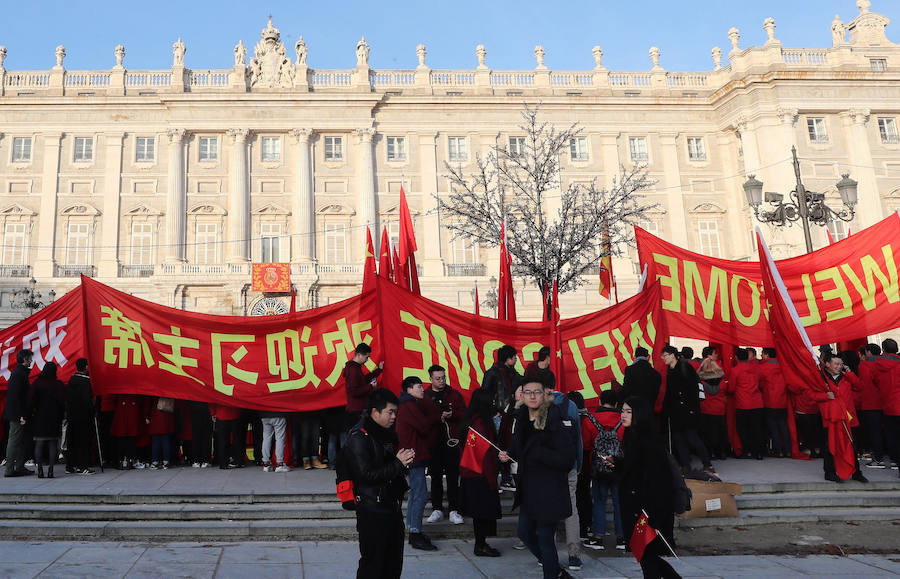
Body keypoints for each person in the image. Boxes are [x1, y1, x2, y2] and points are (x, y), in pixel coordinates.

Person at [500, 379, 577, 579]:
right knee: (524, 533)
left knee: (545, 537)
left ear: (545, 394)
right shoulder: (522, 419)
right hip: (528, 489)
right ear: (522, 395)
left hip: (549, 490)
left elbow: (567, 459)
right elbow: (520, 449)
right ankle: (557, 570)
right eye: (528, 392)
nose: (532, 396)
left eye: (537, 392)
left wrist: (540, 453)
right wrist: (508, 453)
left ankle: (552, 573)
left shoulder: (555, 420)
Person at [347, 388, 414, 579]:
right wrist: (397, 464)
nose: (394, 417)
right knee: (373, 565)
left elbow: (391, 466)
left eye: (395, 412)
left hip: (391, 506)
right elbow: (366, 475)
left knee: (393, 565)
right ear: (375, 412)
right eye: (390, 412)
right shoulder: (359, 437)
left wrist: (404, 463)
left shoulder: (386, 433)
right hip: (372, 510)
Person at [618, 395, 682, 579]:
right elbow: (633, 469)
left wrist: (653, 515)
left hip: (648, 510)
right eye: (622, 411)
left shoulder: (649, 441)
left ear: (640, 414)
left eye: (628, 412)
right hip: (637, 507)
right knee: (646, 557)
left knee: (648, 557)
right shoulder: (633, 437)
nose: (623, 415)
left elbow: (659, 481)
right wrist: (617, 464)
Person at [396, 375, 441, 550]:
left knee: (416, 493)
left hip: (413, 453)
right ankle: (415, 533)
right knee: (420, 494)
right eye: (419, 387)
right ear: (409, 390)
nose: (422, 390)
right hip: (414, 455)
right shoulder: (408, 405)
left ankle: (414, 530)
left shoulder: (408, 404)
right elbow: (424, 426)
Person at [458, 388, 502, 557]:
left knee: (480, 513)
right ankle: (480, 545)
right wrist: (492, 478)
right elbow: (483, 455)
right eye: (491, 402)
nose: (493, 405)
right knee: (481, 512)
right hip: (480, 474)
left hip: (474, 474)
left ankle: (481, 543)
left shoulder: (473, 420)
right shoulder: (479, 424)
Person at [583, 389, 625, 551]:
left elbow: (586, 444)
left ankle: (598, 537)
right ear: (616, 404)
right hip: (618, 466)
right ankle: (622, 538)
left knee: (599, 501)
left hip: (598, 467)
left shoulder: (590, 420)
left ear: (600, 402)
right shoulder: (622, 419)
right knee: (619, 502)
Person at [661, 345, 714, 474]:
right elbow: (669, 393)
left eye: (665, 355)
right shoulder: (670, 370)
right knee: (679, 440)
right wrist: (665, 411)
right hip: (675, 412)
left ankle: (707, 464)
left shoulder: (685, 367)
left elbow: (693, 389)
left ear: (672, 355)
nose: (663, 358)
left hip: (688, 411)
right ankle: (685, 465)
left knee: (693, 438)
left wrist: (692, 409)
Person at [424, 364, 466, 526]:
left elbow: (464, 413)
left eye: (443, 378)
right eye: (438, 378)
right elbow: (422, 418)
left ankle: (454, 509)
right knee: (435, 476)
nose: (441, 381)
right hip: (433, 442)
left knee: (453, 476)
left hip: (452, 442)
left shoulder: (454, 394)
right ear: (431, 379)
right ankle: (437, 508)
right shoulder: (425, 396)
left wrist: (452, 414)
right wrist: (437, 418)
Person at [820, 353, 867, 483]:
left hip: (849, 417)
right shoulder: (821, 378)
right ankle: (829, 472)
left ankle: (856, 473)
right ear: (828, 364)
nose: (839, 366)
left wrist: (850, 373)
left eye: (841, 364)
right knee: (830, 446)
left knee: (852, 446)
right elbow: (811, 395)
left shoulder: (847, 377)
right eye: (836, 364)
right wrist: (825, 396)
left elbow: (860, 387)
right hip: (832, 418)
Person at [481, 344, 522, 490]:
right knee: (496, 447)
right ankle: (494, 479)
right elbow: (484, 394)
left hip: (511, 414)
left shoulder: (513, 373)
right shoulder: (492, 373)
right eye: (514, 357)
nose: (516, 359)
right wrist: (493, 411)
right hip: (497, 416)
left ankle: (506, 478)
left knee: (508, 446)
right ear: (508, 358)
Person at [28, 362, 65, 479]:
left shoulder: (37, 383)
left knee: (39, 443)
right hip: (54, 418)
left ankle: (39, 470)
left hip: (40, 417)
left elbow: (30, 400)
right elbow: (63, 402)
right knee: (52, 443)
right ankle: (51, 471)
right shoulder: (58, 384)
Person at [728, 348, 766, 460]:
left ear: (736, 358)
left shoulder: (735, 370)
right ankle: (758, 452)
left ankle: (746, 450)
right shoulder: (757, 369)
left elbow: (731, 389)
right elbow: (762, 384)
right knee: (757, 428)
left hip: (742, 403)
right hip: (757, 402)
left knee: (743, 429)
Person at [4, 349, 33, 477]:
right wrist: (21, 415)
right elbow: (16, 397)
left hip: (19, 413)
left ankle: (20, 467)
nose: (31, 360)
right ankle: (9, 469)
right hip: (17, 414)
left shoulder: (20, 373)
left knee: (21, 441)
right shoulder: (19, 374)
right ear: (25, 359)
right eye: (30, 358)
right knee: (14, 440)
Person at [856, 344, 886, 468]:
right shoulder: (884, 363)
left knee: (875, 432)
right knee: (887, 431)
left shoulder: (864, 366)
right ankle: (894, 459)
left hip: (870, 403)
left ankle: (878, 459)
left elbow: (862, 385)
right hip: (885, 402)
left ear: (868, 352)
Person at [343, 343, 384, 433]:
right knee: (357, 439)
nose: (367, 360)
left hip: (358, 410)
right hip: (356, 411)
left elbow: (363, 380)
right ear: (359, 355)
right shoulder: (353, 369)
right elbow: (353, 392)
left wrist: (378, 370)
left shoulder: (356, 368)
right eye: (366, 357)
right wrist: (370, 387)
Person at [697, 346, 729, 460]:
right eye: (715, 353)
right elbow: (726, 388)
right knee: (720, 432)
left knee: (706, 432)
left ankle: (709, 453)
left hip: (705, 408)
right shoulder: (721, 379)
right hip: (719, 409)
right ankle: (721, 452)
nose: (717, 356)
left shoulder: (700, 378)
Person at [758, 348, 791, 458]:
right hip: (782, 400)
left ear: (767, 355)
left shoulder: (762, 367)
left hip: (769, 400)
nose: (761, 355)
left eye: (762, 353)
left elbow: (760, 384)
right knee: (783, 426)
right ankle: (788, 450)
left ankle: (778, 451)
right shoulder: (783, 366)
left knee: (773, 428)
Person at [111, 394, 143, 469]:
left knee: (124, 440)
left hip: (124, 415)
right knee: (128, 441)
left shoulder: (120, 390)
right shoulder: (134, 392)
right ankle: (128, 461)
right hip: (129, 414)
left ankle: (123, 461)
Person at [210, 403, 243, 469]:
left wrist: (213, 412)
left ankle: (223, 463)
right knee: (237, 440)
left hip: (221, 414)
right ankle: (238, 461)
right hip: (235, 412)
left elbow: (212, 399)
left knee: (223, 441)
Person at [146, 397, 176, 469]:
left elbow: (148, 405)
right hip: (167, 419)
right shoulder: (169, 391)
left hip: (156, 418)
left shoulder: (154, 392)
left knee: (156, 442)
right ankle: (166, 462)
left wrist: (147, 416)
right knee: (166, 441)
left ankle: (155, 462)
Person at [189, 401, 213, 468]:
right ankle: (205, 460)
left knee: (196, 437)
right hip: (206, 411)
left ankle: (196, 460)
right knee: (206, 438)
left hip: (195, 411)